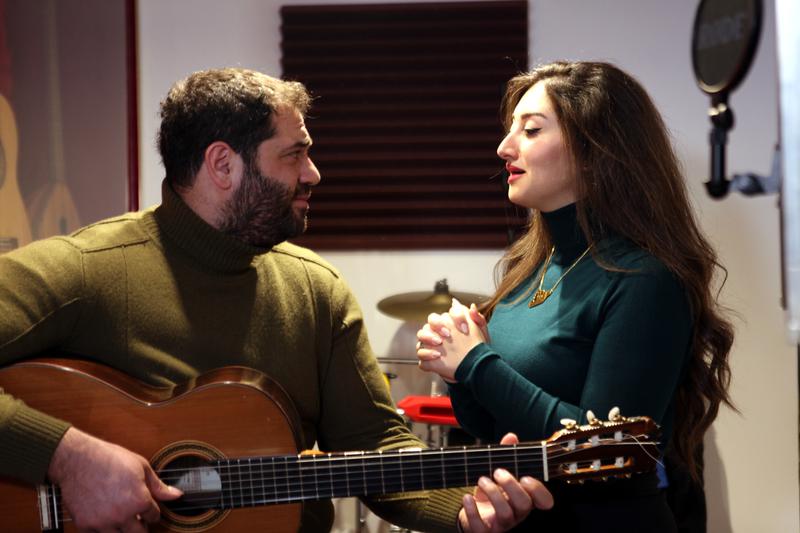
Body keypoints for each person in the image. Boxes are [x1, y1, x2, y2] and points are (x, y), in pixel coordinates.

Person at [0, 68, 553, 533]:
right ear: (223, 165)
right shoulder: (88, 268)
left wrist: (463, 510)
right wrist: (66, 455)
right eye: (294, 155)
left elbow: (378, 446)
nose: (314, 173)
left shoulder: (315, 290)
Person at [416, 61, 734, 532]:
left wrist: (476, 364)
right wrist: (459, 368)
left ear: (594, 150)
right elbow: (495, 431)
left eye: (530, 130)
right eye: (510, 131)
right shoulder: (530, 269)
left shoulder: (646, 280)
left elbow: (600, 449)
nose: (505, 147)